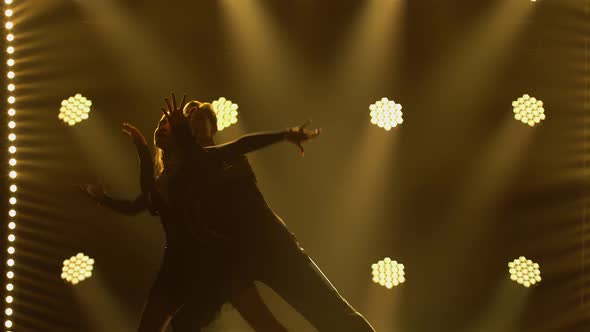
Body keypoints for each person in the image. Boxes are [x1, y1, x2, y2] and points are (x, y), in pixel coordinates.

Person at [80, 94, 319, 332]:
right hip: (176, 264)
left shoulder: (198, 162)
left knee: (258, 324)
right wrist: (140, 153)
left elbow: (239, 146)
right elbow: (145, 203)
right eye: (160, 124)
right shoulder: (167, 177)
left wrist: (284, 134)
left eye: (167, 124)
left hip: (211, 260)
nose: (160, 127)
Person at [160, 99, 376, 331]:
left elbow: (235, 146)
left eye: (199, 117)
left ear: (213, 126)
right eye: (188, 118)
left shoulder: (227, 156)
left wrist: (283, 135)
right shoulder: (186, 171)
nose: (193, 121)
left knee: (332, 314)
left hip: (272, 245)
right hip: (235, 259)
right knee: (185, 322)